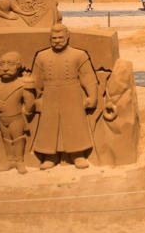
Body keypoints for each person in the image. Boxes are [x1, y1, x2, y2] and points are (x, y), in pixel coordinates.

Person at [31, 24, 100, 170]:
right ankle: (50, 156)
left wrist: (92, 97)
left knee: (74, 124)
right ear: (50, 39)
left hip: (72, 94)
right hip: (49, 95)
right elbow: (36, 80)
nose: (57, 41)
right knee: (49, 126)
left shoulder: (79, 55)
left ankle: (77, 154)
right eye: (54, 38)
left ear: (67, 37)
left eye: (60, 37)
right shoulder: (42, 56)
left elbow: (88, 78)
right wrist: (34, 99)